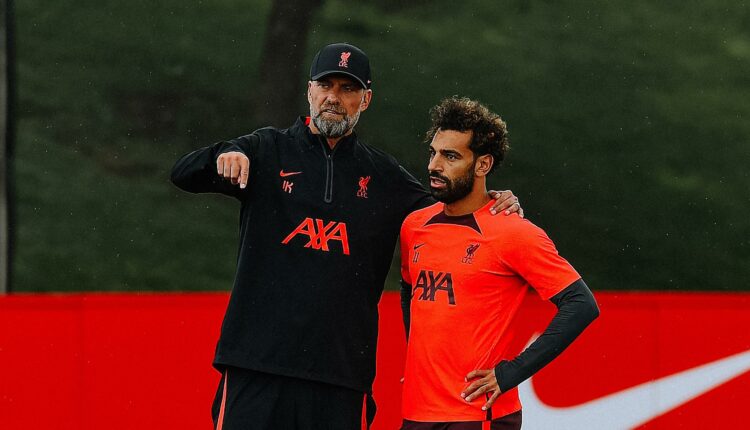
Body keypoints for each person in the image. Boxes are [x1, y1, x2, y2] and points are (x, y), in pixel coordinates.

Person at [170, 43, 523, 429]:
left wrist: (490, 199)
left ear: (365, 100)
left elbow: (447, 212)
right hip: (256, 365)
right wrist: (225, 153)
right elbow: (183, 174)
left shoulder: (384, 176)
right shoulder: (266, 150)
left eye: (348, 88)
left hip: (340, 377)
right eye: (325, 85)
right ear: (309, 90)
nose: (334, 98)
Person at [399, 97, 599, 429]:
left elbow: (581, 304)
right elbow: (409, 290)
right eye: (433, 153)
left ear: (483, 165)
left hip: (479, 415)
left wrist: (510, 373)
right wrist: (420, 364)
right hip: (417, 412)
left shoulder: (514, 232)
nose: (434, 165)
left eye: (450, 156)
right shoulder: (414, 226)